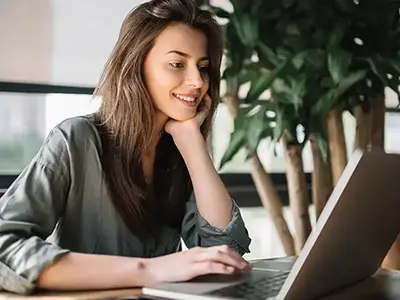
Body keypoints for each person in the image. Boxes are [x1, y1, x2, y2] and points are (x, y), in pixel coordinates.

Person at [0, 0, 252, 294]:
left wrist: (193, 144)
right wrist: (150, 270)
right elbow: (4, 246)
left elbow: (225, 252)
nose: (197, 82)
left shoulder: (179, 150)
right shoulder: (76, 139)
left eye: (203, 68)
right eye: (177, 64)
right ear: (136, 65)